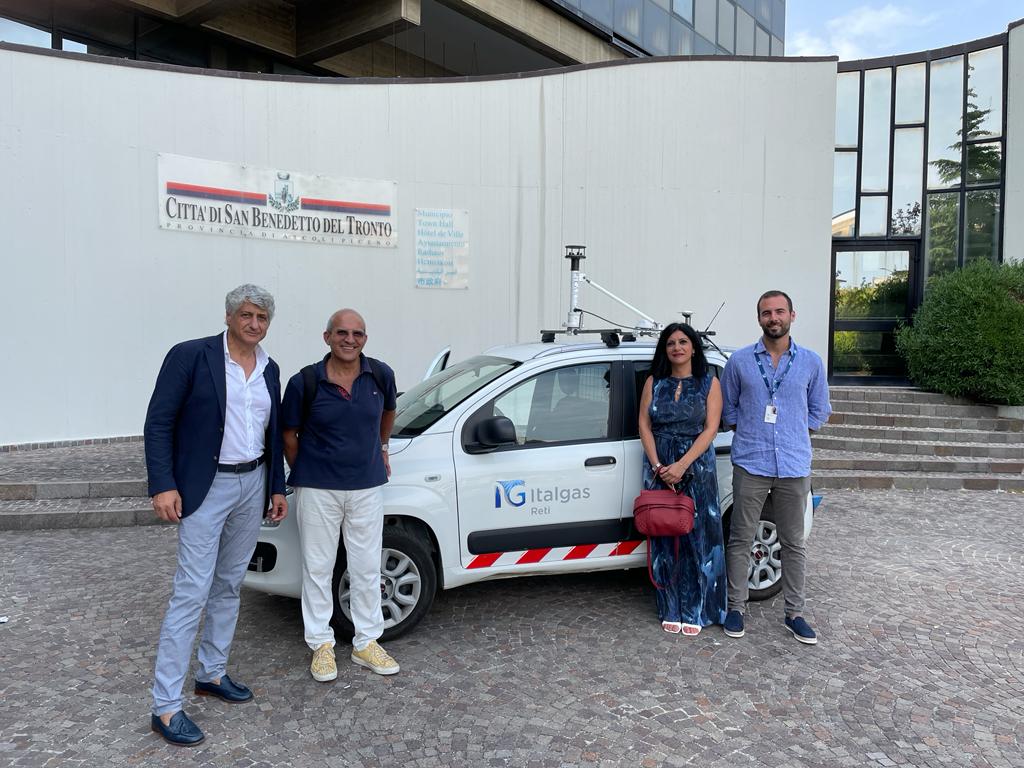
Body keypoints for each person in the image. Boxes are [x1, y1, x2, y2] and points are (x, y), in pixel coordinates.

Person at [144, 284, 288, 747]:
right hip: (206, 486)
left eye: (262, 318)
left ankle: (211, 672)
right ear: (229, 317)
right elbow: (159, 421)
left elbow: (271, 433)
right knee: (191, 591)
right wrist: (163, 484)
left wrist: (276, 486)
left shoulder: (269, 368)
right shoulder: (191, 356)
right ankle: (166, 707)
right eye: (246, 315)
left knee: (229, 583)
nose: (254, 324)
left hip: (253, 483)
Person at [281, 308, 399, 682]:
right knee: (318, 567)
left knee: (366, 566)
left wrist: (382, 448)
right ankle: (321, 644)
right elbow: (288, 435)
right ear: (327, 336)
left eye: (357, 334)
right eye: (342, 333)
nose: (350, 340)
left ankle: (366, 642)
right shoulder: (304, 381)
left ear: (365, 338)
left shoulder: (380, 374)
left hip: (366, 486)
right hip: (318, 489)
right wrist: (309, 470)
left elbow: (388, 413)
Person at [720, 290, 831, 645]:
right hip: (751, 462)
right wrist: (751, 431)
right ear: (759, 319)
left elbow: (820, 410)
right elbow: (729, 409)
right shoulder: (739, 362)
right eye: (767, 312)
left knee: (793, 543)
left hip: (794, 465)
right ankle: (735, 607)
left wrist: (795, 433)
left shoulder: (811, 362)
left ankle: (794, 614)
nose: (774, 318)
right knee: (740, 538)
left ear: (792, 316)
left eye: (779, 311)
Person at [638, 322, 727, 636]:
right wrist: (658, 465)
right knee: (664, 534)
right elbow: (644, 425)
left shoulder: (709, 383)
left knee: (697, 538)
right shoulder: (654, 381)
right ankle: (670, 606)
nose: (677, 347)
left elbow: (711, 429)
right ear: (664, 349)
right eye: (670, 343)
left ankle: (697, 609)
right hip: (658, 466)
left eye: (683, 342)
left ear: (693, 347)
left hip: (696, 466)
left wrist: (682, 465)